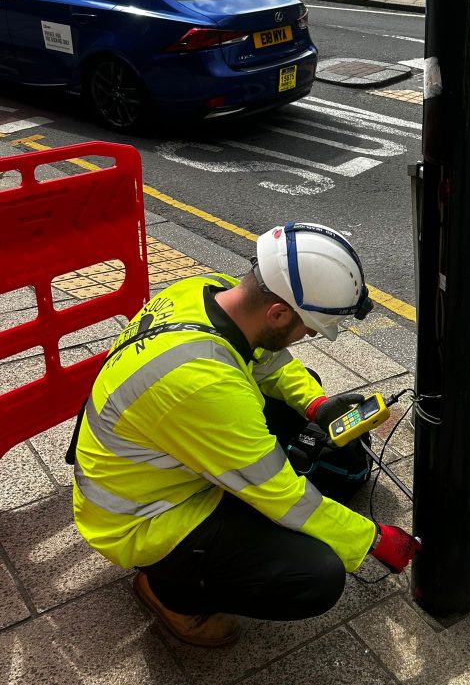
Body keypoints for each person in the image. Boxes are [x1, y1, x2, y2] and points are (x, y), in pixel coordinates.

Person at [72, 222, 420, 647]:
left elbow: (267, 359)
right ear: (278, 312)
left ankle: (244, 506)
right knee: (316, 575)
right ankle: (169, 593)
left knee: (325, 431)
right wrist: (374, 538)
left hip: (166, 455)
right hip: (143, 516)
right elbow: (284, 497)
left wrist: (315, 404)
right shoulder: (203, 382)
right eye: (308, 328)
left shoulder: (207, 290)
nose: (307, 336)